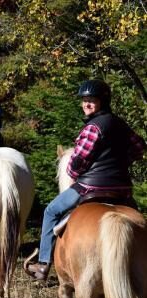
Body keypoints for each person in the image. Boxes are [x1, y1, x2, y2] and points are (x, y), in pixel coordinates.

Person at [26, 79, 146, 280]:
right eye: (84, 100)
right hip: (122, 190)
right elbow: (140, 147)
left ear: (103, 102)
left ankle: (43, 264)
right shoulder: (120, 124)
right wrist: (122, 161)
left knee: (51, 212)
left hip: (91, 186)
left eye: (92, 100)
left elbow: (78, 160)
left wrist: (73, 174)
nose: (86, 104)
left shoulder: (93, 128)